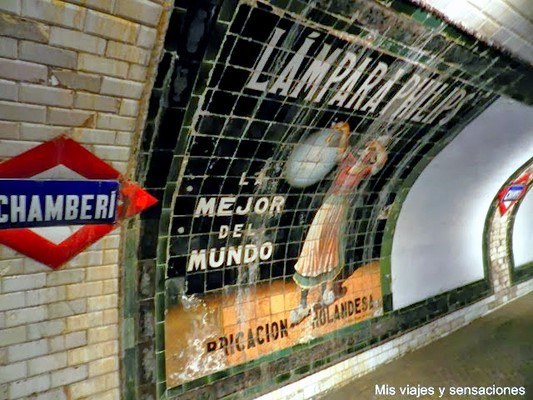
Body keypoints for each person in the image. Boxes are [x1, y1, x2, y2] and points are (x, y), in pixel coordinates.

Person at [289, 121, 389, 325]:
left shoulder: (366, 169)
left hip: (340, 210)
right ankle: (302, 304)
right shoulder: (349, 159)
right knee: (313, 249)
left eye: (371, 152)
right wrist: (346, 132)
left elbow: (381, 161)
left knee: (332, 249)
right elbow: (342, 149)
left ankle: (328, 290)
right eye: (368, 149)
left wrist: (378, 147)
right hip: (329, 207)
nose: (367, 154)